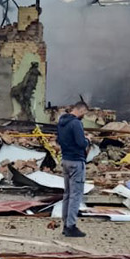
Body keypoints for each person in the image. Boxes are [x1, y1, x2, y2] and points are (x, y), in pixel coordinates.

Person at [56, 101, 89, 237]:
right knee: (76, 195)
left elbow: (59, 140)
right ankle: (71, 226)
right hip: (76, 161)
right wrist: (88, 140)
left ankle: (66, 224)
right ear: (80, 110)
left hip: (65, 160)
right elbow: (81, 143)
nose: (84, 116)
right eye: (84, 113)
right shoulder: (76, 123)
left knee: (67, 194)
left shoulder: (61, 122)